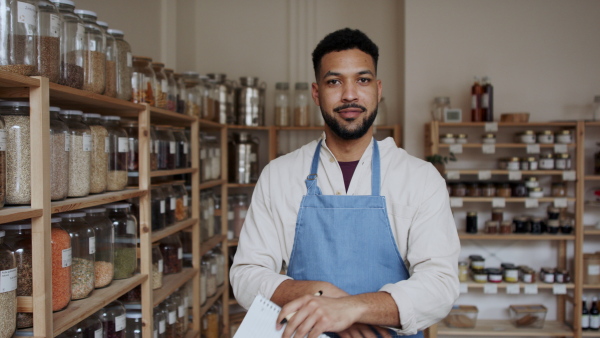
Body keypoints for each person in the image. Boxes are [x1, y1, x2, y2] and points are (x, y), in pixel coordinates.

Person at [230, 28, 460, 338]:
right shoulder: (279, 175)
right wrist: (318, 294)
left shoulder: (419, 178)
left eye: (362, 80)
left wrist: (354, 308)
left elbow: (441, 285)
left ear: (378, 89)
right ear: (316, 93)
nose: (349, 94)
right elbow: (246, 276)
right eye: (334, 81)